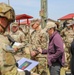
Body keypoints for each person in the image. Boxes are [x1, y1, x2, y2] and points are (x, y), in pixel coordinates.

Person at [0, 2, 31, 75]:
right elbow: (9, 72)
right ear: (2, 19)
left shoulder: (21, 33)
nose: (9, 25)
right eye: (8, 21)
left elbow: (25, 43)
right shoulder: (3, 39)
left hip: (19, 55)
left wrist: (18, 47)